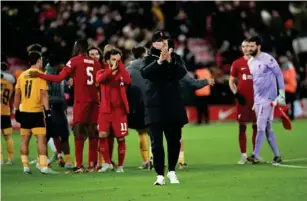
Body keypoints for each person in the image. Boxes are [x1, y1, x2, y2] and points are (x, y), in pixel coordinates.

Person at [28, 40, 101, 173]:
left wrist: (40, 75)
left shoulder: (74, 61)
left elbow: (59, 78)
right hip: (94, 101)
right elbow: (98, 80)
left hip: (81, 101)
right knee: (92, 133)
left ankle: (79, 165)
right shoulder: (95, 63)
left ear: (77, 47)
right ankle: (92, 164)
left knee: (78, 133)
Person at [140, 31, 187, 185]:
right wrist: (159, 61)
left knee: (174, 141)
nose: (164, 42)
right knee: (157, 143)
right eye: (160, 40)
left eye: (166, 39)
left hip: (173, 104)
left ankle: (172, 172)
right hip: (155, 107)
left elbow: (182, 73)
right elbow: (144, 73)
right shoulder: (148, 59)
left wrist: (171, 61)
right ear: (153, 44)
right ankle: (160, 174)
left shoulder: (176, 57)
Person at [168, 39, 215, 168]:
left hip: (162, 104)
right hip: (175, 103)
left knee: (157, 134)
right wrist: (205, 82)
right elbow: (192, 82)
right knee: (176, 135)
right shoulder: (179, 68)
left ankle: (152, 159)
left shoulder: (157, 68)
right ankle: (180, 161)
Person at [14, 51, 56, 174]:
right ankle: (43, 166)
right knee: (41, 139)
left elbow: (17, 93)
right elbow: (44, 94)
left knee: (24, 139)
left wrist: (16, 109)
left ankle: (25, 166)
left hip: (24, 111)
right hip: (36, 112)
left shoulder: (22, 75)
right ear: (38, 61)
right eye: (41, 60)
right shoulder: (40, 75)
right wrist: (47, 111)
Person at [246, 36, 284, 165]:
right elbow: (255, 82)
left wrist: (282, 93)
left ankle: (255, 155)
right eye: (248, 46)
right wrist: (254, 102)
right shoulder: (250, 62)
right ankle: (277, 155)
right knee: (267, 128)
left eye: (252, 46)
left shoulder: (268, 59)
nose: (249, 49)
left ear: (258, 46)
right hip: (258, 99)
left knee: (260, 126)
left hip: (267, 98)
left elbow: (279, 74)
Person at [96, 47, 131, 173]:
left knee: (120, 138)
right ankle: (107, 163)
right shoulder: (101, 72)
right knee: (102, 135)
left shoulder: (122, 73)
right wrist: (111, 70)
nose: (116, 61)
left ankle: (120, 165)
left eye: (118, 59)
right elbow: (100, 80)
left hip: (119, 112)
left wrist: (120, 65)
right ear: (107, 61)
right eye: (113, 59)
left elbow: (128, 80)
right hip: (105, 111)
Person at [229, 40, 257, 164]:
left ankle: (255, 154)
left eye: (248, 46)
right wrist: (236, 94)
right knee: (242, 127)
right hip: (243, 100)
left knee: (257, 127)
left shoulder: (259, 63)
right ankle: (243, 155)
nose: (246, 48)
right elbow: (231, 81)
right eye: (244, 46)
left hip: (257, 100)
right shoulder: (237, 63)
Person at [126, 46, 153, 169]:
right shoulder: (151, 65)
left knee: (141, 133)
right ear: (144, 54)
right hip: (151, 103)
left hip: (136, 105)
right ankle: (154, 159)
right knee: (153, 133)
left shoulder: (128, 68)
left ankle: (145, 161)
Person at [45, 54, 73, 169]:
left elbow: (65, 87)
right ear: (56, 65)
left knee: (57, 135)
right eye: (61, 64)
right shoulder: (48, 76)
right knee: (60, 134)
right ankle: (46, 162)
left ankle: (62, 158)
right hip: (53, 107)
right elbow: (46, 93)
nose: (63, 66)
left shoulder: (59, 75)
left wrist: (70, 85)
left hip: (58, 107)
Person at [1, 62, 15, 165]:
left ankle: (0, 159)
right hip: (5, 112)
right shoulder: (10, 85)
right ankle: (10, 158)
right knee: (8, 137)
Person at [279, 55, 297, 120]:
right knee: (289, 103)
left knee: (286, 103)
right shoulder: (288, 66)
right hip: (290, 87)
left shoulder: (288, 67)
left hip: (289, 88)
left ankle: (287, 116)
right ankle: (289, 116)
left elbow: (287, 77)